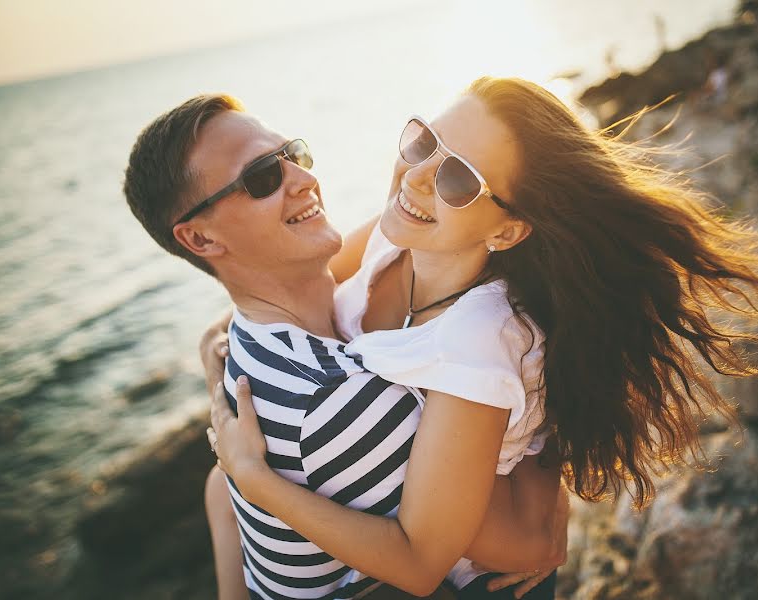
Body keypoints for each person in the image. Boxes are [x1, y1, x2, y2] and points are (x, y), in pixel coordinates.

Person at [206, 75, 758, 597]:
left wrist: (255, 478)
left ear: (507, 230)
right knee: (215, 491)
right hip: (427, 523)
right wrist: (226, 354)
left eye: (459, 178)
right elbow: (289, 292)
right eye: (423, 141)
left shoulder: (474, 344)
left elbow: (417, 564)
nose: (418, 175)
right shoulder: (399, 234)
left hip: (477, 575)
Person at [123, 94, 566, 600]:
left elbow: (219, 492)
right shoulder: (342, 401)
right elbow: (527, 545)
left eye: (291, 153)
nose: (305, 178)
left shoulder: (250, 340)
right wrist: (550, 435)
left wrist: (242, 472)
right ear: (200, 241)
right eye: (263, 178)